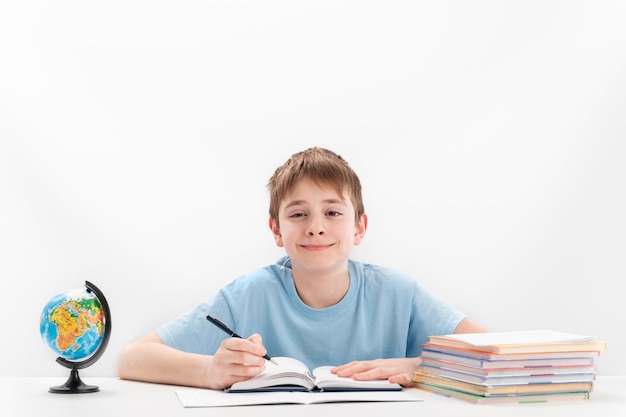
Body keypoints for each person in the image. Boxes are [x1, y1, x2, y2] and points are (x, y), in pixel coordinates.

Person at [117, 147, 486, 389]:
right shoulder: (248, 293)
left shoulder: (398, 292)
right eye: (298, 214)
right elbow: (133, 358)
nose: (315, 227)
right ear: (276, 229)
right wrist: (210, 371)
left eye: (332, 212)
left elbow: (495, 352)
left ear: (359, 227)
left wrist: (419, 367)